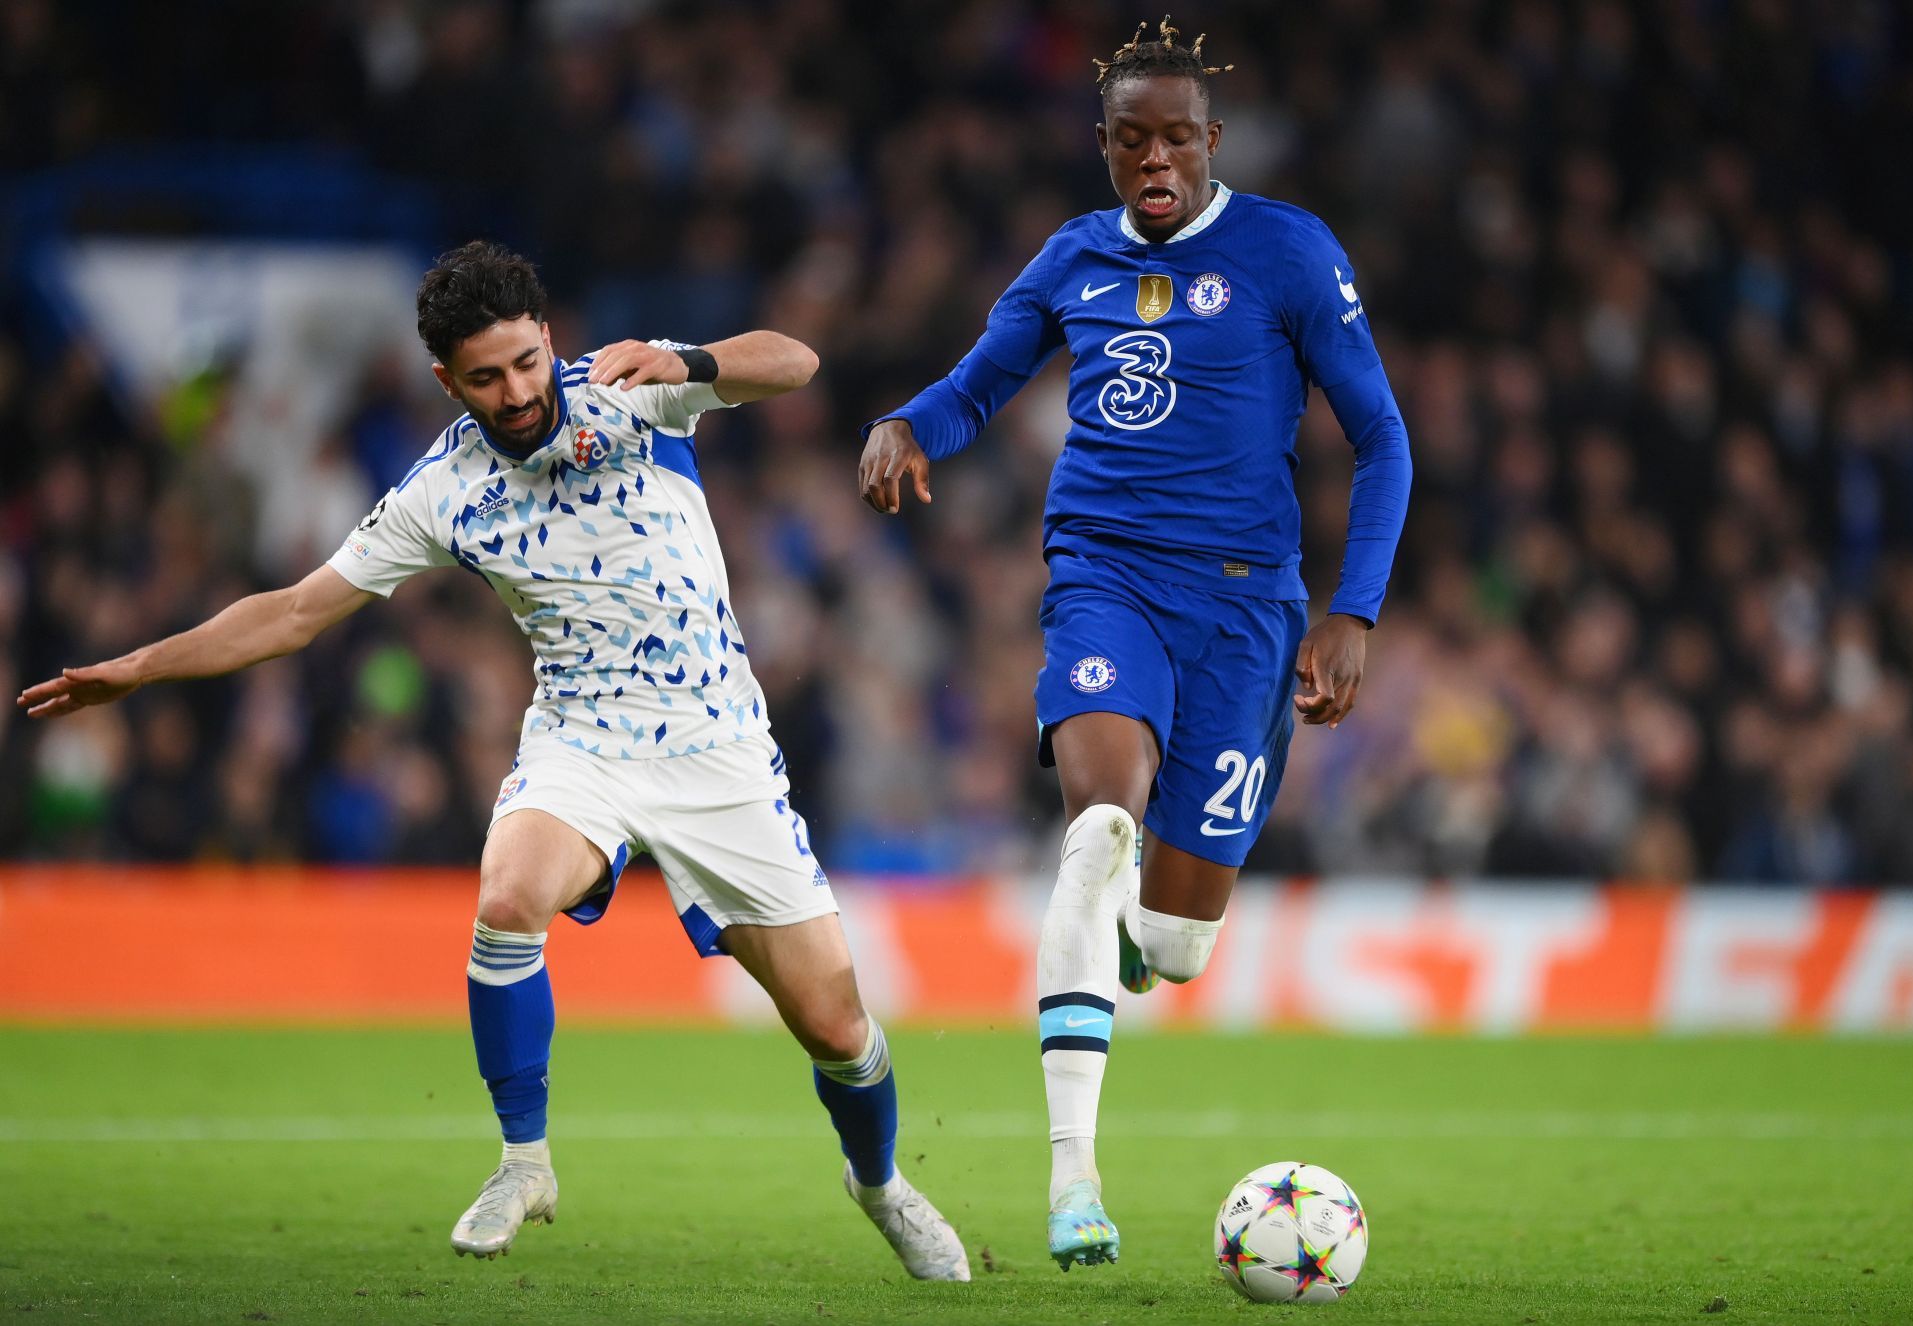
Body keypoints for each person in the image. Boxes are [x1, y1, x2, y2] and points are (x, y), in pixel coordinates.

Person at [20, 241, 970, 1281]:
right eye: (486, 377)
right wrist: (140, 669)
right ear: (447, 381)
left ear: (548, 339)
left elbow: (795, 364)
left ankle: (878, 1182)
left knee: (837, 1027)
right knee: (509, 896)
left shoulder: (628, 387)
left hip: (720, 750)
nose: (516, 392)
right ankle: (524, 1161)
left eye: (525, 362)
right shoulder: (443, 490)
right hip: (582, 741)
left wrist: (687, 362)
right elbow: (294, 613)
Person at [857, 20, 1412, 1270]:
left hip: (1249, 611)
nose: (1154, 157)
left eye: (1177, 137)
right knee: (1097, 828)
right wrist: (908, 425)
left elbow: (1382, 439)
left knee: (1170, 944)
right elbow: (977, 383)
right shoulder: (1072, 258)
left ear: (1212, 144)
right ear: (1103, 148)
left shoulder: (1287, 251)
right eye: (1131, 139)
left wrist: (1354, 609)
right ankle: (1073, 1184)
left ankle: (1117, 948)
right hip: (1103, 576)